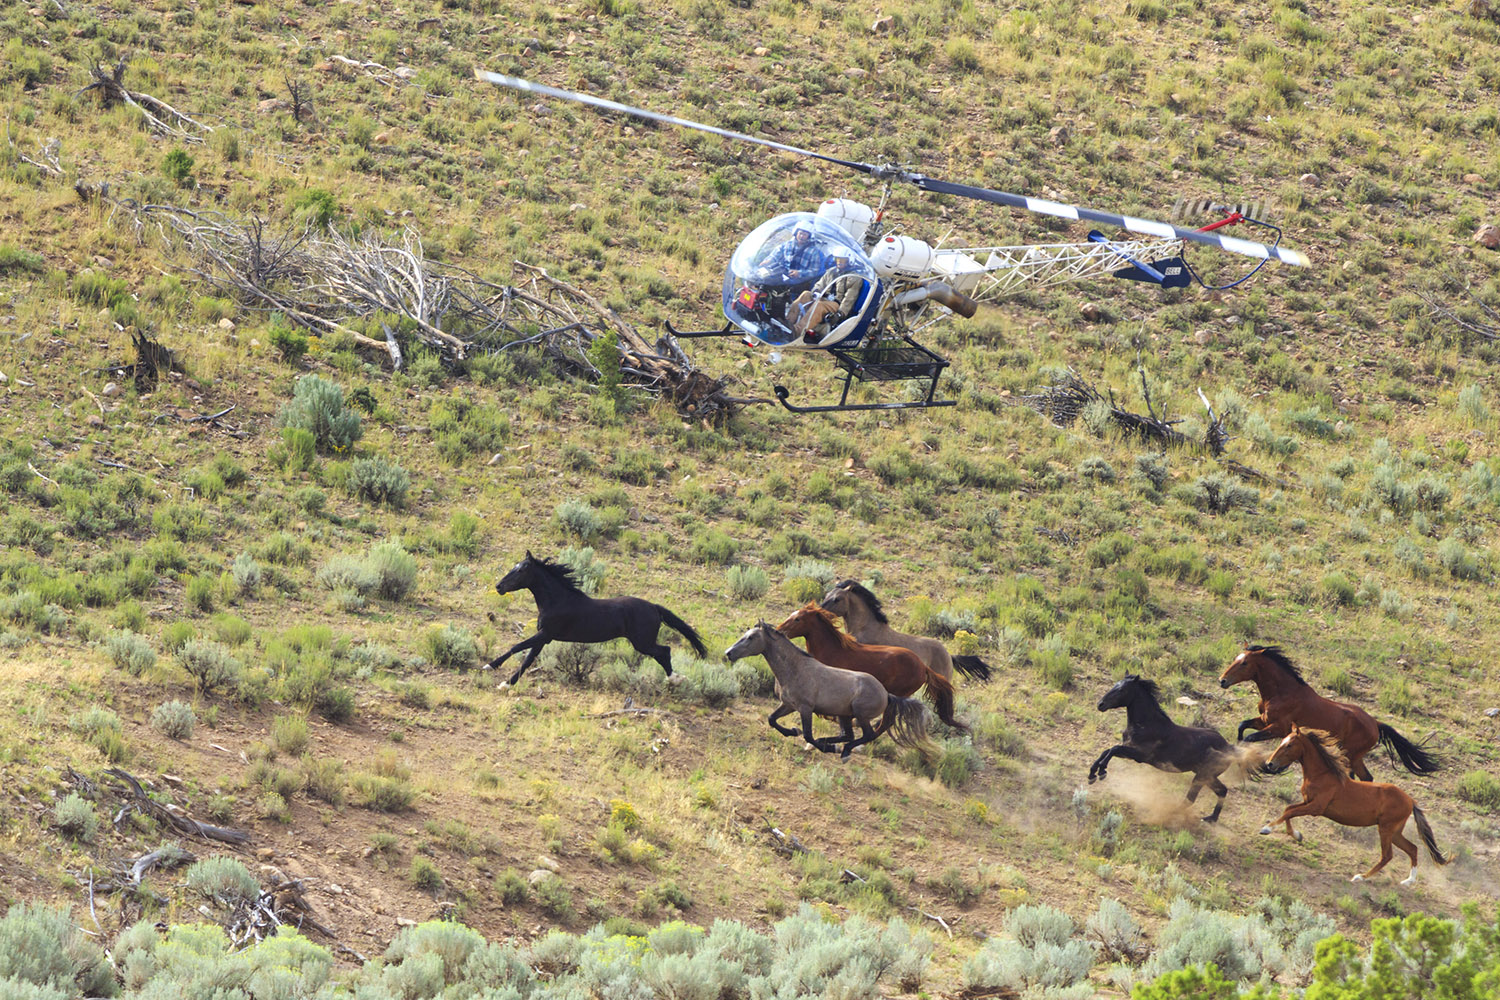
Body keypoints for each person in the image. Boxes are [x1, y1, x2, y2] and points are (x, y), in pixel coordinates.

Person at [792, 253, 865, 341]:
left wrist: (840, 314)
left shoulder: (854, 278)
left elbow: (849, 299)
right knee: (806, 294)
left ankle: (797, 332)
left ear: (850, 261)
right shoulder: (831, 271)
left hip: (836, 303)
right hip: (823, 298)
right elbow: (820, 284)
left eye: (842, 260)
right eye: (837, 260)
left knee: (819, 305)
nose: (839, 262)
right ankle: (788, 323)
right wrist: (816, 291)